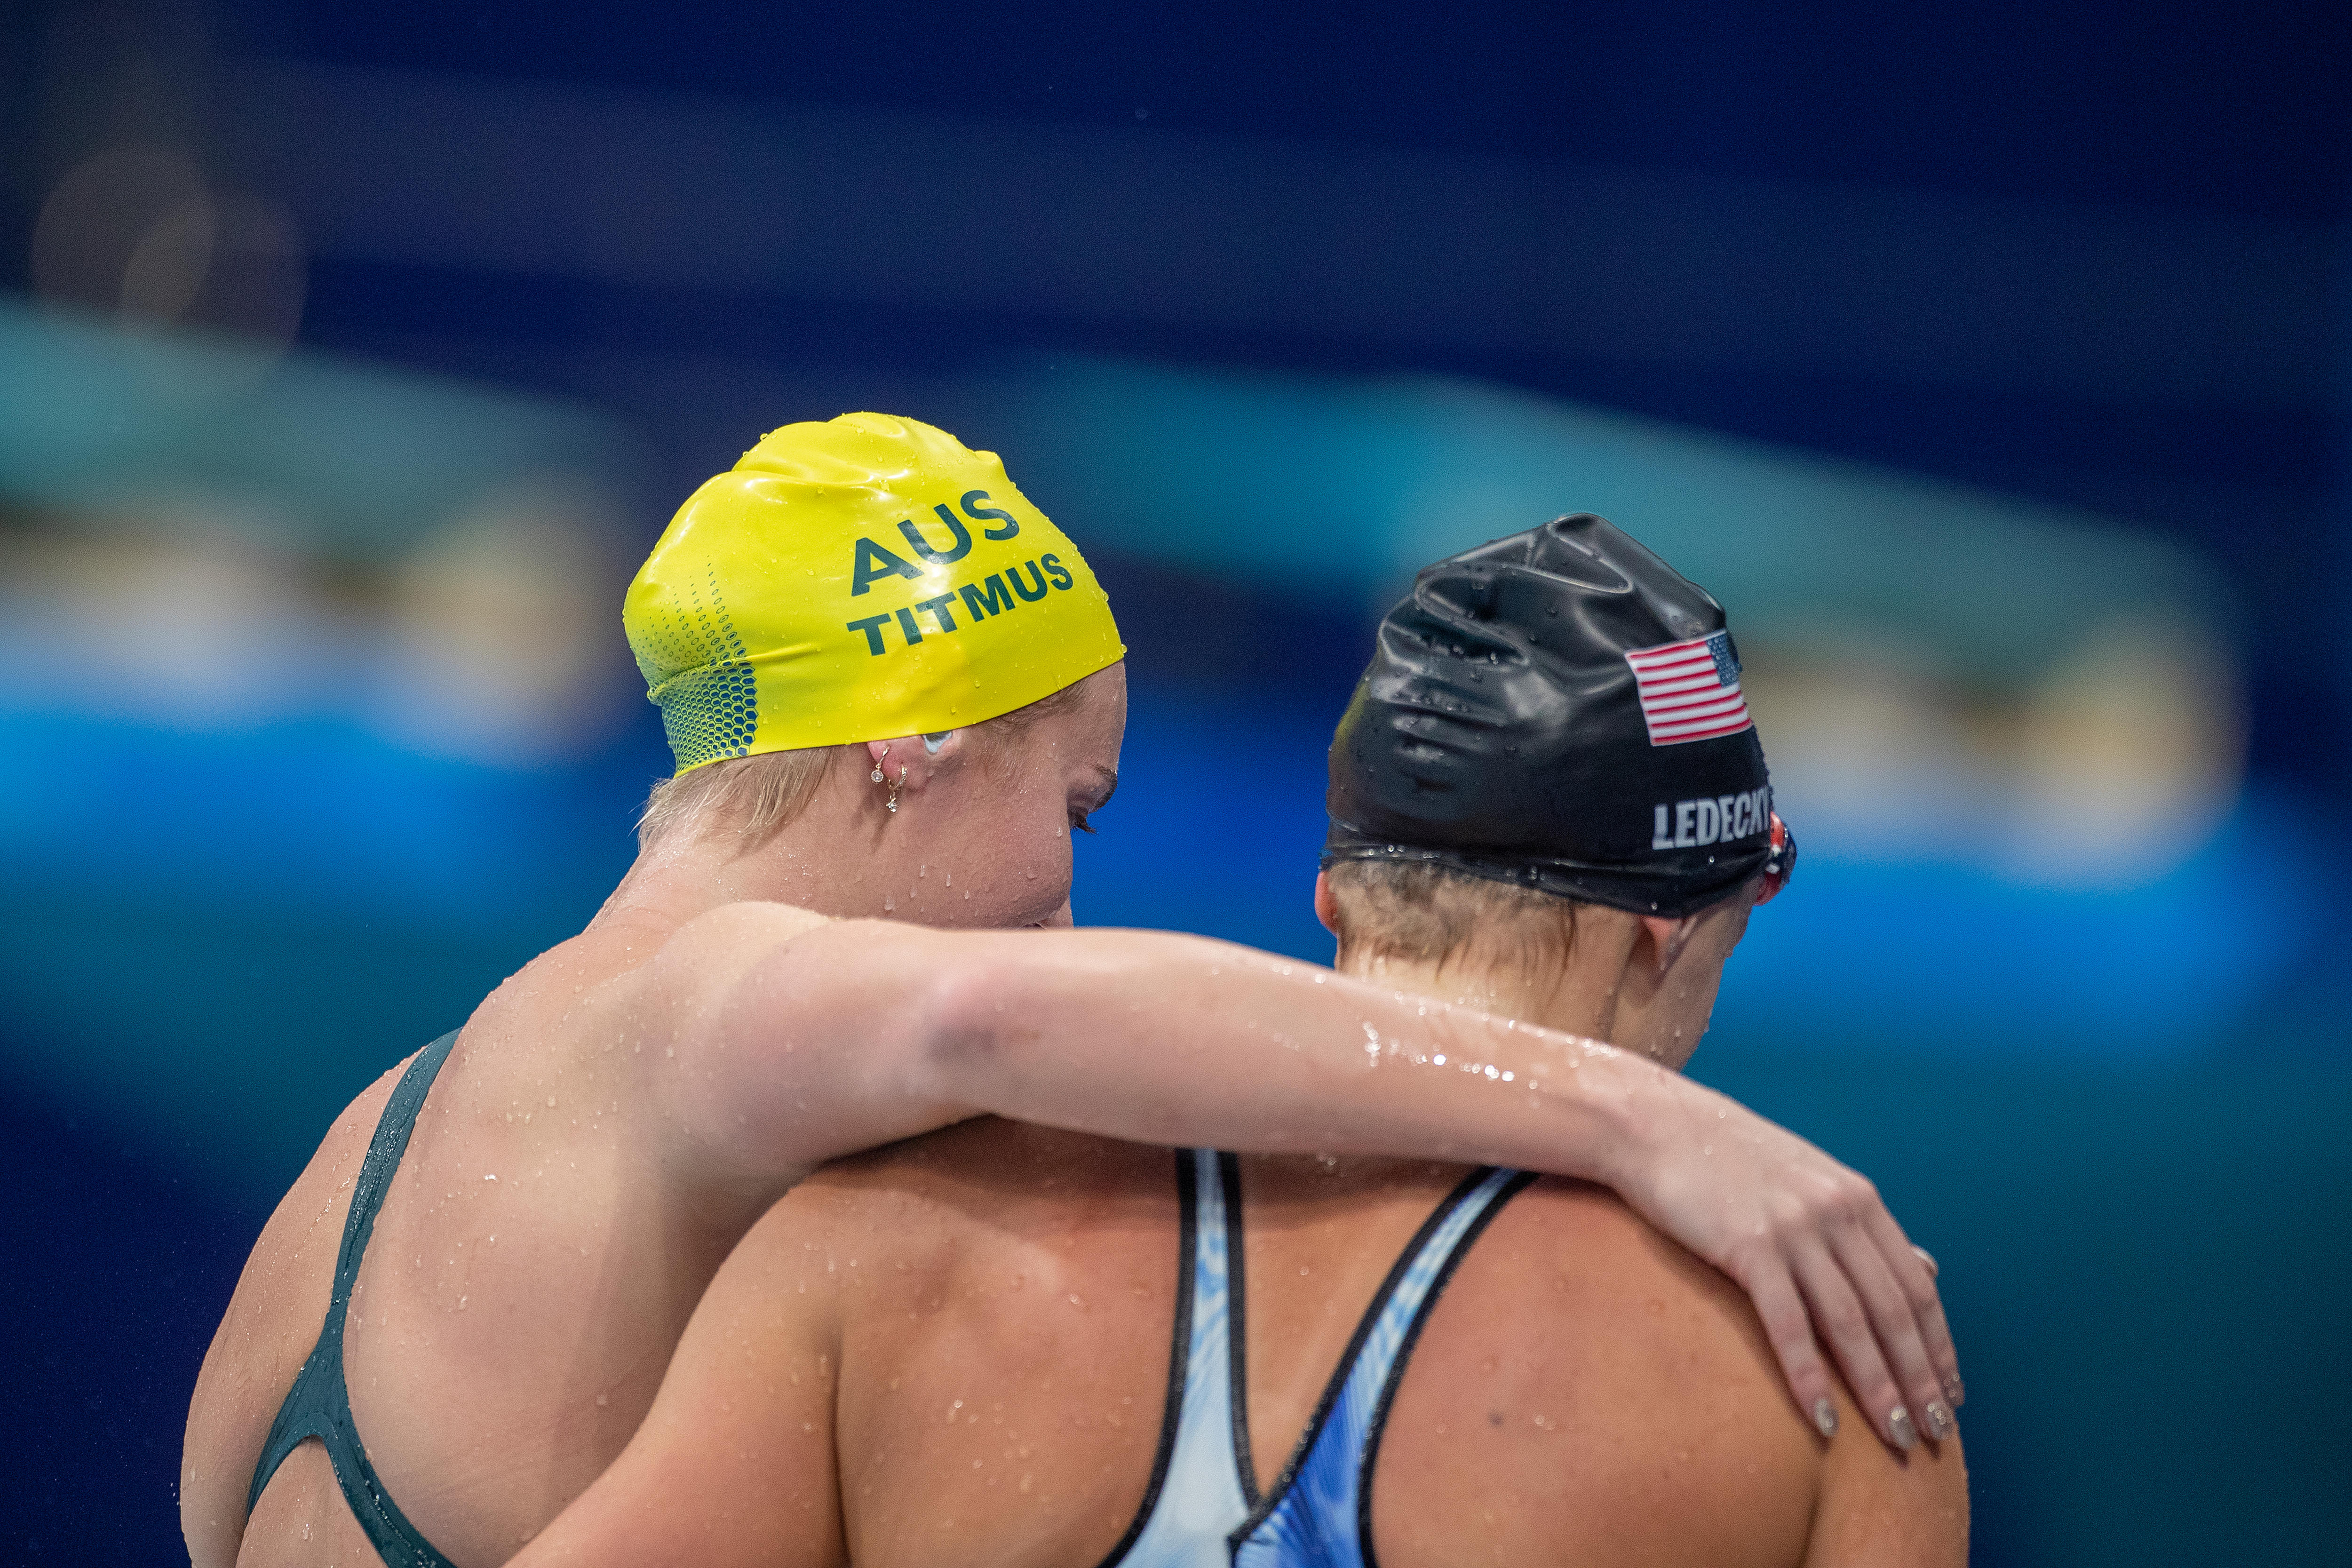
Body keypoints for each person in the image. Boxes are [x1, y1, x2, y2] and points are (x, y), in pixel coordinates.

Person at [182, 420, 1955, 1568]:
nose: (1067, 895)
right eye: (1075, 808)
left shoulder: (379, 1137)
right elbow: (996, 1024)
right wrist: (1643, 1115)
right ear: (916, 740)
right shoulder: (727, 1003)